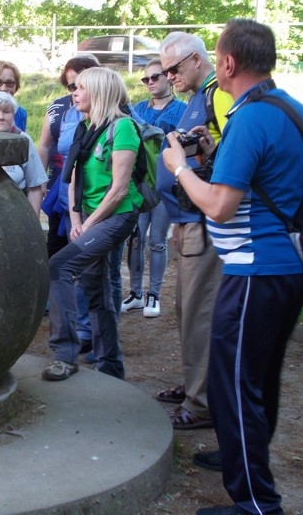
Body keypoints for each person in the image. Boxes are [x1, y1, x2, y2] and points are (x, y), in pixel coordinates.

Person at [162, 19, 303, 515]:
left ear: (227, 63)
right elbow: (271, 177)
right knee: (259, 376)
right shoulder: (288, 108)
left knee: (233, 382)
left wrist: (180, 167)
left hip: (254, 270)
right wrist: (211, 151)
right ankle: (240, 457)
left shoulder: (249, 118)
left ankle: (255, 502)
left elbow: (220, 206)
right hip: (286, 266)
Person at [153, 31, 233, 431]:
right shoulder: (195, 100)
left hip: (205, 223)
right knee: (188, 310)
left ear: (197, 60)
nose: (168, 76)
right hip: (186, 221)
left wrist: (203, 153)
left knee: (200, 312)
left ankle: (201, 403)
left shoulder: (218, 94)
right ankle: (195, 386)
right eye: (164, 69)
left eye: (174, 68)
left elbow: (234, 155)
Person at [43, 67, 141, 382]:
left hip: (117, 215)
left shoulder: (123, 128)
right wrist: (75, 218)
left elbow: (120, 189)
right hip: (87, 216)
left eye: (81, 87)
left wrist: (89, 224)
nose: (75, 92)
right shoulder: (85, 126)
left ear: (98, 92)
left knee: (59, 266)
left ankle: (64, 355)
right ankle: (110, 365)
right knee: (96, 289)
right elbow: (71, 177)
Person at [38, 54, 100, 354]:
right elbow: (46, 145)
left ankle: (89, 333)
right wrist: (42, 183)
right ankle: (67, 329)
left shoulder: (110, 116)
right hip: (63, 197)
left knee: (88, 269)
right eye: (71, 83)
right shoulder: (60, 108)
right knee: (59, 260)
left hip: (92, 205)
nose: (74, 90)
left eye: (81, 84)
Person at [120, 58, 187, 317]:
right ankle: (136, 293)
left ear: (168, 77)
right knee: (135, 240)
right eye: (145, 79)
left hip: (165, 183)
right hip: (139, 183)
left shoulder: (181, 109)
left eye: (155, 77)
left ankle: (154, 294)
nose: (150, 82)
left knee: (157, 241)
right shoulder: (138, 107)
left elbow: (161, 136)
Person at [0, 92, 47, 215]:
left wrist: (32, 225)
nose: (1, 116)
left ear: (13, 115)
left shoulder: (23, 140)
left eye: (6, 112)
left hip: (16, 213)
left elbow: (35, 188)